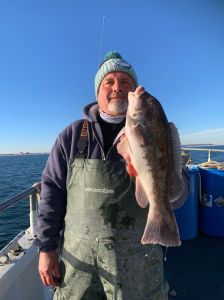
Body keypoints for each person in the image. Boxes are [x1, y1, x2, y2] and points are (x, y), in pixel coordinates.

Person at [35, 51, 189, 300]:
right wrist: (46, 248)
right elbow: (52, 192)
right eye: (109, 81)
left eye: (125, 81)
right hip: (78, 267)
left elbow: (180, 195)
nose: (117, 87)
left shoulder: (153, 129)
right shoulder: (72, 135)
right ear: (98, 91)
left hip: (138, 263)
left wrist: (158, 183)